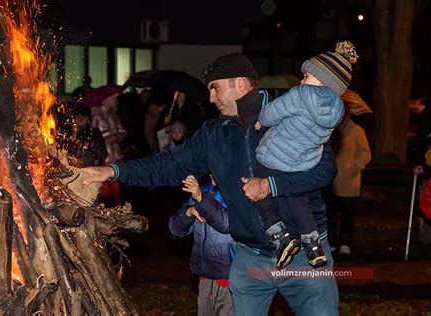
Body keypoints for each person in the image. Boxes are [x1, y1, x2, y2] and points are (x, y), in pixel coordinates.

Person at [82, 52, 339, 315]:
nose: (211, 98)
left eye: (215, 88)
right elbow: (167, 166)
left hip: (304, 254)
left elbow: (325, 170)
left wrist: (270, 186)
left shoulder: (289, 119)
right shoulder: (214, 135)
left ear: (240, 84)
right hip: (250, 257)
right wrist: (112, 171)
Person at [254, 41, 357, 268]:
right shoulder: (338, 109)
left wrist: (262, 119)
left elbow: (275, 111)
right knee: (298, 199)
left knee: (257, 189)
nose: (302, 81)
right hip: (303, 162)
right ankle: (313, 245)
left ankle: (279, 236)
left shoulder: (300, 94)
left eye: (307, 76)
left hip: (275, 158)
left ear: (322, 80)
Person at [169, 174, 234, 315]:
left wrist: (200, 198)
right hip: (205, 277)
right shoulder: (203, 190)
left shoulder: (236, 191)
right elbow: (176, 229)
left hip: (230, 279)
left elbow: (226, 223)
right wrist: (189, 212)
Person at [327, 107, 371, 254]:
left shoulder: (357, 131)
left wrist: (354, 167)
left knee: (348, 214)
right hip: (332, 180)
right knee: (330, 213)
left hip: (349, 182)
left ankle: (346, 242)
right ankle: (331, 241)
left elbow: (365, 153)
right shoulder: (332, 131)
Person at [56, 103, 106, 167]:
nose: (81, 118)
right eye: (78, 116)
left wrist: (82, 162)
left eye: (84, 116)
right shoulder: (64, 132)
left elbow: (99, 156)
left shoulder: (93, 135)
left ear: (88, 119)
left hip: (86, 170)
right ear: (74, 117)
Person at [412, 98, 431, 243]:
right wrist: (419, 162)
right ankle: (426, 238)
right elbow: (420, 141)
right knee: (427, 204)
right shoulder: (427, 115)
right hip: (428, 169)